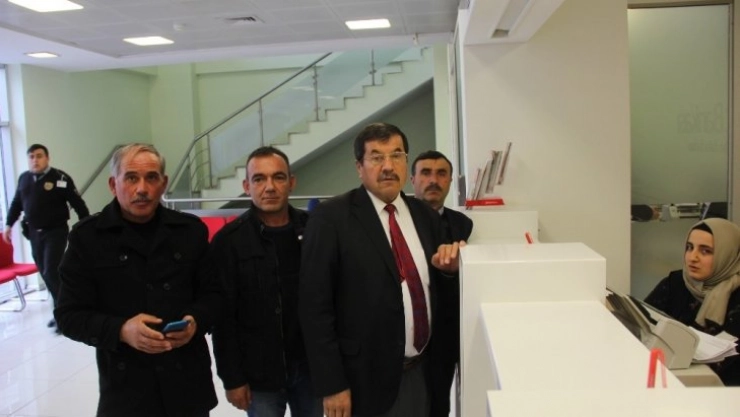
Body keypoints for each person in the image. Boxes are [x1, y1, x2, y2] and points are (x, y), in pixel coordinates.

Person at [299, 122, 463, 417]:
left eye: (396, 155)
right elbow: (314, 309)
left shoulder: (425, 216)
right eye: (376, 157)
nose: (388, 166)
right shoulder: (331, 219)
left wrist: (449, 272)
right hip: (363, 381)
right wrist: (332, 384)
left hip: (423, 373)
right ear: (359, 167)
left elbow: (439, 294)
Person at [54, 143, 221, 417]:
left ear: (163, 183)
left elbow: (214, 296)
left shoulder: (190, 231)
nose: (142, 188)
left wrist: (195, 321)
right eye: (131, 178)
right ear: (113, 184)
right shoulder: (87, 239)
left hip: (186, 382)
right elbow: (68, 315)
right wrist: (121, 330)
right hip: (126, 387)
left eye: (151, 178)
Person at [210, 146, 322, 417]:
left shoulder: (315, 230)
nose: (269, 187)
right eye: (259, 179)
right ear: (246, 186)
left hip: (311, 369)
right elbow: (223, 319)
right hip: (258, 377)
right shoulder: (228, 241)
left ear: (291, 182)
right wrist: (232, 379)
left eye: (278, 177)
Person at [410, 150, 473, 417]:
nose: (433, 180)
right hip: (404, 337)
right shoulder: (395, 223)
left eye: (441, 174)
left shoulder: (462, 225)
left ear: (450, 181)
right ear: (412, 180)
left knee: (439, 406)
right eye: (425, 173)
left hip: (446, 333)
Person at [2, 143, 90, 332]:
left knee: (51, 271)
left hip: (55, 232)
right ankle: (61, 310)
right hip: (34, 233)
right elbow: (17, 203)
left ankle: (66, 313)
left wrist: (86, 225)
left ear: (47, 158)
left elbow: (77, 203)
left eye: (39, 156)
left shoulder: (60, 178)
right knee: (45, 272)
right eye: (31, 157)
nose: (35, 160)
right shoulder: (24, 179)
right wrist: (8, 225)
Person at [644, 218, 740, 386]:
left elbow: (726, 363)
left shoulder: (737, 296)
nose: (692, 257)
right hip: (670, 377)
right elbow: (643, 324)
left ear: (727, 255)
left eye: (706, 251)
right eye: (689, 248)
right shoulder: (675, 282)